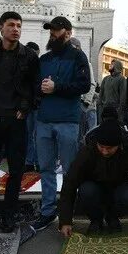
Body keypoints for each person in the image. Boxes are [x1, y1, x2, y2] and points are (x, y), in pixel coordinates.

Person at [0, 11, 39, 233]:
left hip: (16, 120)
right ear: (1, 28)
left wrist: (24, 109)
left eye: (19, 25)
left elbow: (34, 87)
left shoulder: (29, 56)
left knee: (16, 170)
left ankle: (8, 215)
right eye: (11, 25)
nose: (16, 29)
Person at [33, 16, 91, 231]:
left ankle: (67, 211)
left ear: (68, 32)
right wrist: (39, 91)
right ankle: (48, 211)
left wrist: (56, 87)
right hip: (44, 120)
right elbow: (34, 86)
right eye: (50, 30)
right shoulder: (44, 59)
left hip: (67, 120)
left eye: (56, 30)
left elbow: (84, 85)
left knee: (69, 169)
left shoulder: (78, 57)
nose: (52, 34)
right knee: (46, 168)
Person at [59, 119, 128, 236]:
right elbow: (69, 184)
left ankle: (112, 217)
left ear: (119, 145)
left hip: (118, 189)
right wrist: (65, 221)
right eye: (101, 146)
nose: (104, 151)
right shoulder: (87, 152)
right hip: (94, 188)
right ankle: (96, 220)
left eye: (109, 148)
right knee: (86, 191)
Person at [70, 36, 98, 142]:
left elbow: (92, 84)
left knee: (85, 133)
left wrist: (86, 102)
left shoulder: (86, 63)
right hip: (73, 103)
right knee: (76, 134)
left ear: (78, 47)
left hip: (83, 104)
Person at [24, 41, 41, 172]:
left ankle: (38, 161)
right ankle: (30, 162)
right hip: (28, 106)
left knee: (38, 135)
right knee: (29, 134)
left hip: (38, 106)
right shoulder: (23, 66)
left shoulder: (41, 66)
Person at [98, 59, 126, 124]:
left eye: (112, 64)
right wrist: (100, 106)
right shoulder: (105, 79)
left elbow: (123, 96)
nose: (110, 65)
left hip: (115, 110)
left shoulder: (122, 79)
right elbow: (101, 93)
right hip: (104, 109)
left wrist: (119, 111)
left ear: (117, 66)